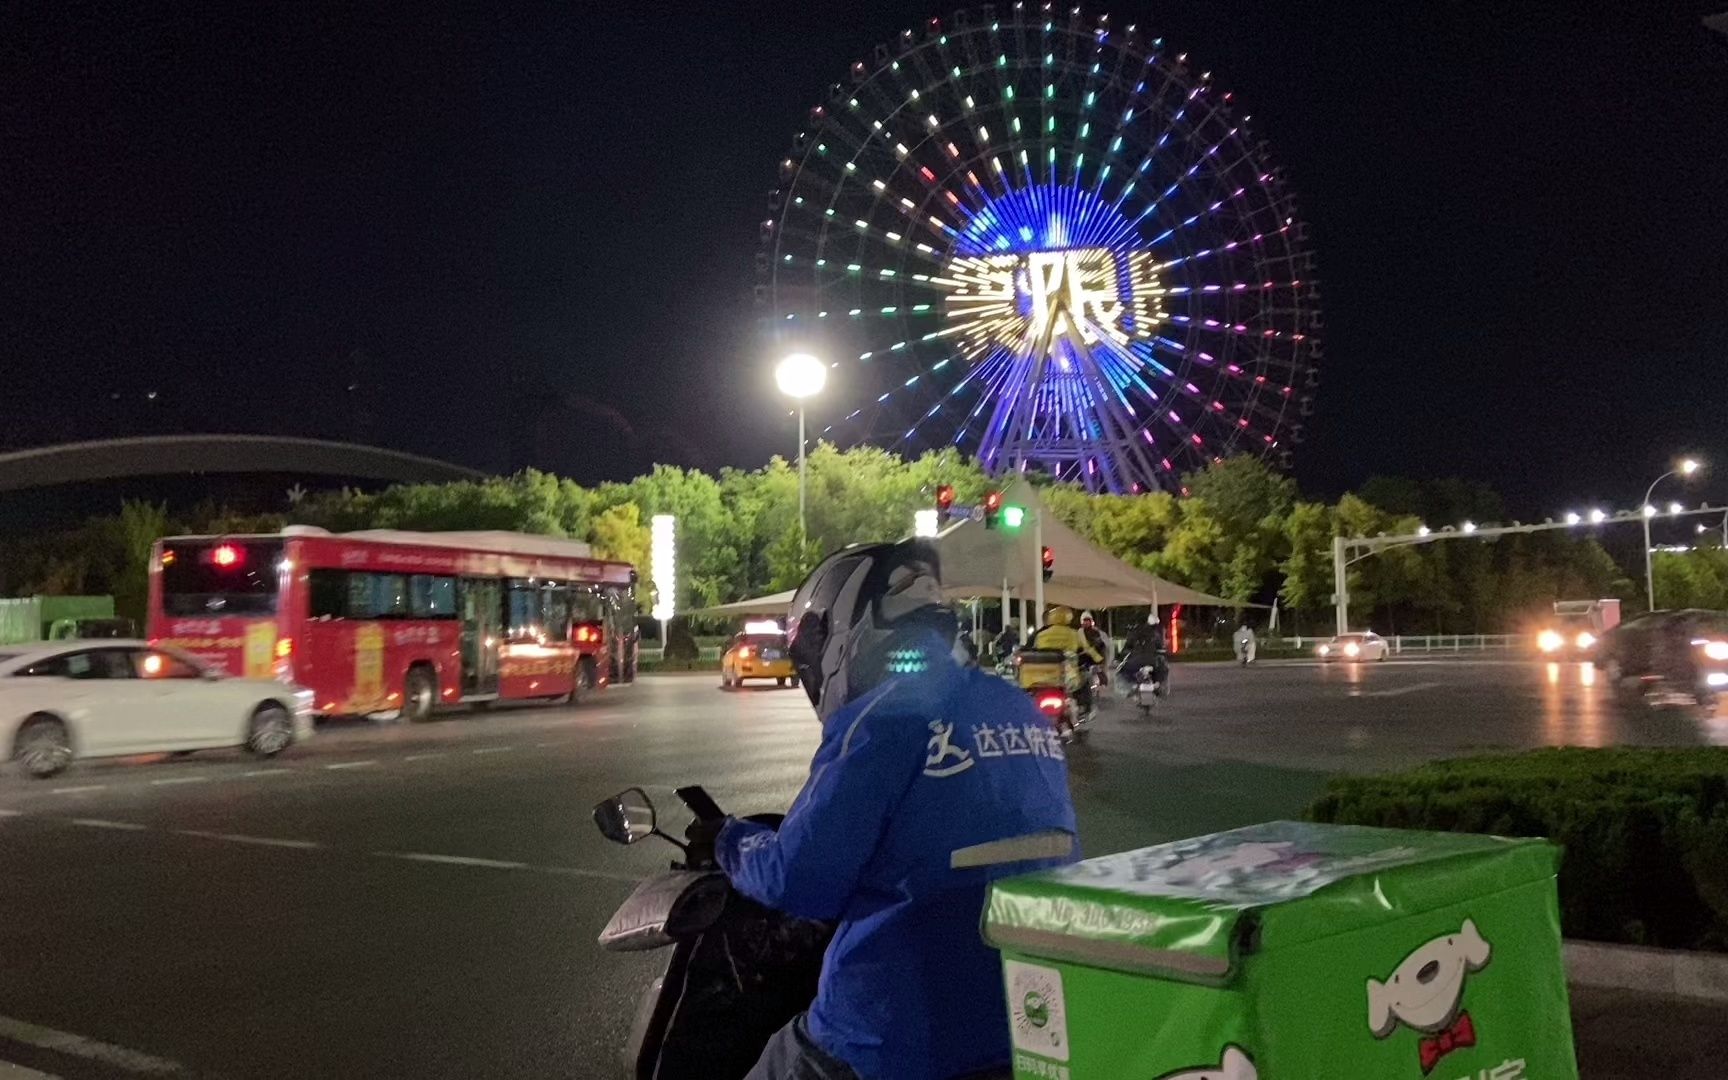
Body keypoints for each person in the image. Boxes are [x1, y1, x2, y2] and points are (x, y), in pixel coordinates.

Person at [716, 541, 1079, 1080]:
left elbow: (801, 880)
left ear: (844, 629)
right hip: (1026, 1023)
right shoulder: (1016, 707)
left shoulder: (883, 718)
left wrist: (730, 842)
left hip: (895, 1037)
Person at [1032, 606, 1103, 715]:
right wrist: (1099, 659)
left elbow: (1035, 650)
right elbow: (1088, 649)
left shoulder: (1041, 635)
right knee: (1086, 677)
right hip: (1067, 676)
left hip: (1045, 676)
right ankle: (1085, 708)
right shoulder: (1074, 634)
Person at [1120, 612, 1168, 689]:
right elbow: (1161, 649)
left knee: (1124, 671)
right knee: (1162, 669)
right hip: (1152, 662)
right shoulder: (1155, 635)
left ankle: (1133, 685)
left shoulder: (1133, 634)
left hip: (1136, 662)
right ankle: (1157, 684)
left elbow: (1126, 648)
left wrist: (1122, 655)